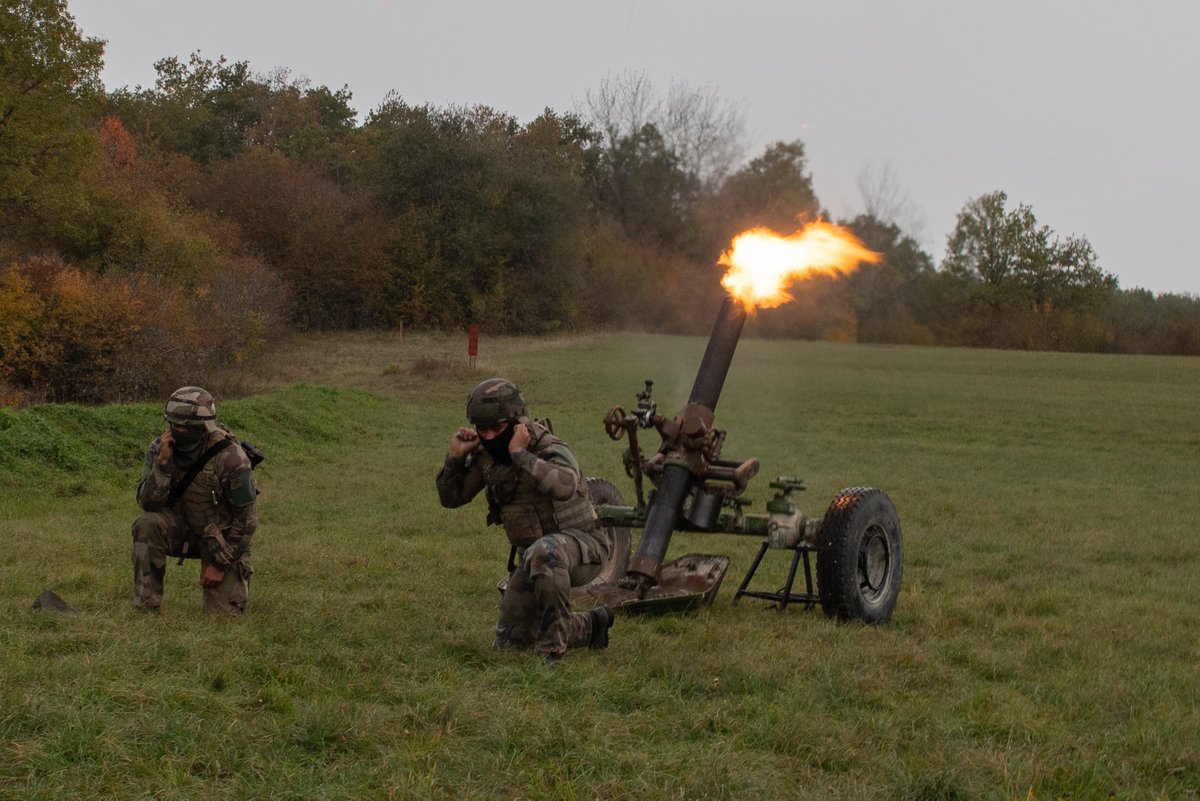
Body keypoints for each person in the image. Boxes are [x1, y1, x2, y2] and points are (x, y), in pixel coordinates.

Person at [436, 378, 614, 662]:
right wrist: (455, 459)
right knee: (511, 640)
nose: (491, 436)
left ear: (518, 421)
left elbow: (565, 485)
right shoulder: (488, 455)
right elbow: (451, 498)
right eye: (483, 430)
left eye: (498, 428)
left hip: (584, 550)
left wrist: (520, 454)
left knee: (547, 551)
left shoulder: (547, 446)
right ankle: (593, 626)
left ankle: (551, 655)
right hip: (536, 560)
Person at [131, 386, 259, 614]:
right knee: (147, 523)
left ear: (203, 428)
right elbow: (147, 504)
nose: (178, 431)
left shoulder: (231, 458)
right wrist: (162, 467)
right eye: (173, 424)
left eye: (186, 427)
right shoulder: (160, 449)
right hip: (181, 530)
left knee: (221, 618)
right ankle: (146, 604)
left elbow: (247, 519)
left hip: (221, 539)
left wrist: (221, 565)